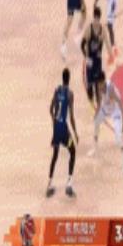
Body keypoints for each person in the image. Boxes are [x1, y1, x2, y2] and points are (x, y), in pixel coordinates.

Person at [46, 68, 78, 197]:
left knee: (55, 155)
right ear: (69, 79)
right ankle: (69, 184)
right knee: (73, 151)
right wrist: (75, 133)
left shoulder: (57, 90)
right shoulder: (70, 94)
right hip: (64, 130)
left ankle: (49, 184)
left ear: (62, 78)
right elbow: (71, 116)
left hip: (56, 129)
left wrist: (54, 122)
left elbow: (51, 109)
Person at [89, 72, 123, 173]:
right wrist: (96, 113)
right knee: (96, 123)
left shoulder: (111, 89)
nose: (98, 85)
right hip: (105, 109)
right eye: (97, 84)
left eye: (99, 83)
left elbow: (120, 103)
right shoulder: (98, 87)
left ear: (103, 81)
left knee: (118, 138)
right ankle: (95, 148)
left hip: (115, 112)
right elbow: (99, 101)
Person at [81, 6, 113, 108]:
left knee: (98, 84)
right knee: (90, 88)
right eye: (95, 19)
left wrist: (111, 55)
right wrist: (86, 57)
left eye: (97, 19)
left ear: (99, 18)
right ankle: (91, 97)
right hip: (90, 60)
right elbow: (82, 44)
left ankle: (99, 104)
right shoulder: (89, 29)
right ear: (93, 17)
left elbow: (107, 43)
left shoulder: (103, 30)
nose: (96, 21)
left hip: (98, 60)